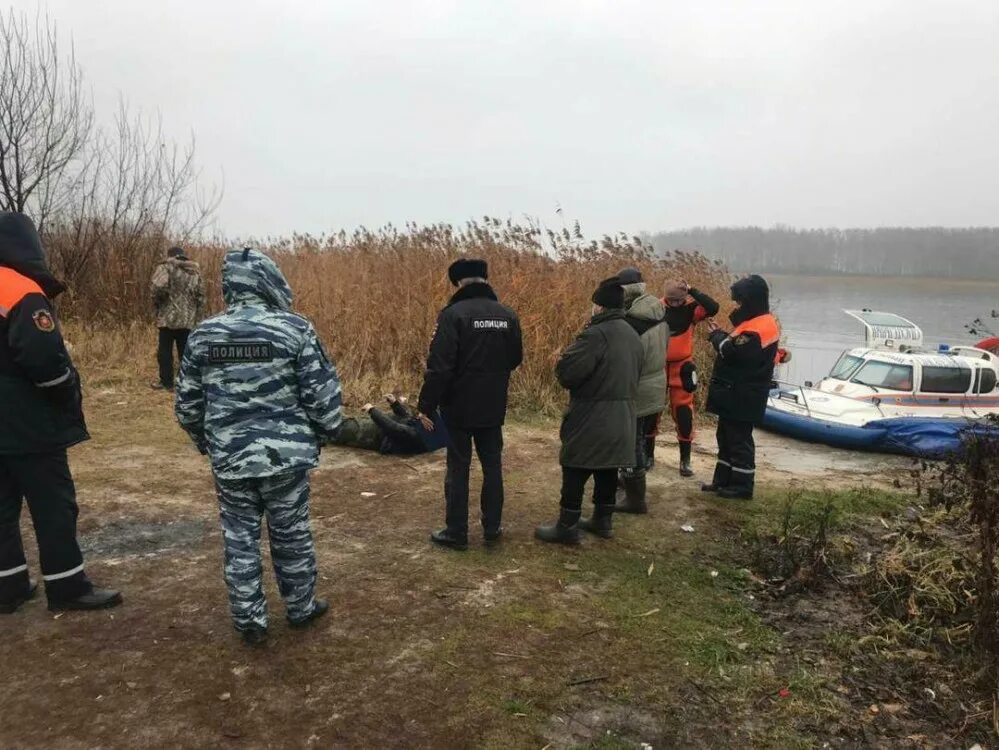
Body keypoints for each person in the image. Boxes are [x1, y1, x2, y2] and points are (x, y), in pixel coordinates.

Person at [175, 247, 343, 645]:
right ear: (270, 280)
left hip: (230, 458)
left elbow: (187, 405)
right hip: (286, 459)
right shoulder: (294, 330)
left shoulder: (203, 335)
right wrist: (319, 436)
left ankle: (250, 618)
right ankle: (300, 607)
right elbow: (323, 398)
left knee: (239, 536)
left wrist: (210, 442)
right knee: (291, 534)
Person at [0, 212, 122, 614]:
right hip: (28, 426)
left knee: (1, 508)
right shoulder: (20, 291)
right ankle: (67, 586)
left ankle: (9, 586)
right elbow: (45, 362)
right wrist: (68, 390)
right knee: (54, 506)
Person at [418, 259, 523, 551]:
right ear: (484, 280)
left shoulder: (453, 315)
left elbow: (439, 367)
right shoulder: (507, 315)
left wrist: (426, 405)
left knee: (458, 467)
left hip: (459, 407)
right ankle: (492, 528)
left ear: (458, 284)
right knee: (493, 465)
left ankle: (456, 532)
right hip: (493, 405)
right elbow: (515, 358)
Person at [536, 276, 643, 544]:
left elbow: (569, 374)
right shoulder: (632, 333)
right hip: (624, 416)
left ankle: (567, 525)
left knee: (574, 466)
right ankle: (603, 520)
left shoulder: (596, 334)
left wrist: (561, 360)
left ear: (599, 307)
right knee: (607, 468)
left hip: (593, 415)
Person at [702, 275, 780, 500]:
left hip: (744, 394)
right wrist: (722, 336)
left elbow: (734, 352)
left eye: (739, 302)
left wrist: (716, 337)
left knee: (739, 441)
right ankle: (723, 480)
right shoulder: (755, 323)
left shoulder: (759, 327)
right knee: (726, 437)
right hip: (735, 392)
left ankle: (742, 485)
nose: (736, 307)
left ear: (750, 300)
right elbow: (736, 345)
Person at [612, 267, 670, 515]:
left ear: (626, 292)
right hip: (655, 384)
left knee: (631, 441)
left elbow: (624, 359)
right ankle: (628, 486)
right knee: (638, 438)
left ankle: (635, 499)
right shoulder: (658, 312)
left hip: (637, 387)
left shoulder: (633, 322)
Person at [662, 279, 720, 477]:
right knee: (650, 413)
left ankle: (685, 460)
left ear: (684, 297)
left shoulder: (692, 308)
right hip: (658, 367)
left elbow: (713, 307)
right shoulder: (657, 307)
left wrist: (692, 289)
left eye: (679, 300)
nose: (676, 304)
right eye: (672, 301)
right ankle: (647, 455)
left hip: (682, 367)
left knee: (684, 414)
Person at [151, 246, 204, 390]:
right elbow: (200, 296)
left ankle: (167, 382)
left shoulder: (166, 267)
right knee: (185, 352)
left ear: (170, 255)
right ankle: (186, 382)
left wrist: (158, 302)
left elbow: (158, 288)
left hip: (168, 317)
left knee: (165, 351)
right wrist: (196, 315)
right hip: (188, 319)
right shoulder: (194, 271)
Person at [334, 394, 449, 455]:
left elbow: (394, 429)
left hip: (375, 436)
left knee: (340, 428)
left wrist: (372, 410)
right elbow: (408, 419)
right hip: (378, 428)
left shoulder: (419, 436)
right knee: (339, 418)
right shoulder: (427, 429)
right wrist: (395, 404)